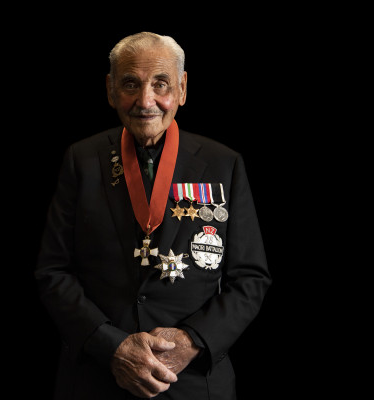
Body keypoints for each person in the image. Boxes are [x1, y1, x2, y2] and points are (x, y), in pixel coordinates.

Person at [34, 31, 271, 399]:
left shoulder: (224, 164)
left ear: (182, 88)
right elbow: (52, 271)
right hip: (97, 378)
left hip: (194, 382)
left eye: (160, 84)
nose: (146, 101)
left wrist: (192, 340)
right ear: (111, 89)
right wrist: (111, 346)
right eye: (131, 84)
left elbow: (250, 279)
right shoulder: (81, 160)